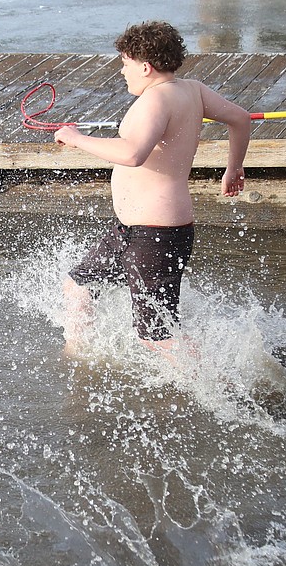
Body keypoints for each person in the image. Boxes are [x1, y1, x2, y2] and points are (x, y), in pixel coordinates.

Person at [53, 20, 251, 358]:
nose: (122, 72)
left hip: (156, 233)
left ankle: (227, 384)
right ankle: (76, 359)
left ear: (145, 67)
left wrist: (76, 139)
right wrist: (234, 167)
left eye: (125, 63)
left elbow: (133, 154)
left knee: (156, 337)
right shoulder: (192, 89)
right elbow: (241, 119)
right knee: (78, 287)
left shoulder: (155, 100)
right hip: (131, 230)